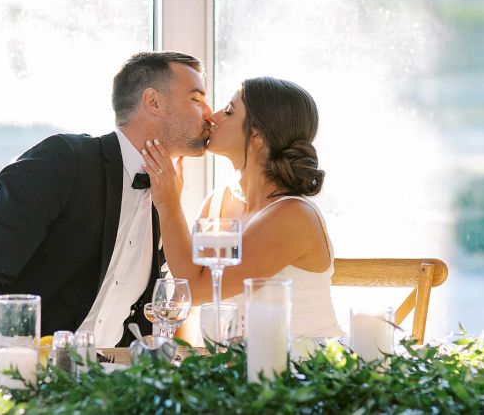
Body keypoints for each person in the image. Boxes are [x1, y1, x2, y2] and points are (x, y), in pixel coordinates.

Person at [0, 51, 213, 347]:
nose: (209, 112)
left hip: (107, 379)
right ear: (153, 102)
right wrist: (22, 366)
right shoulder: (62, 162)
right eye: (196, 99)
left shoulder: (165, 195)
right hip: (14, 374)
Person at [142, 76, 344, 338]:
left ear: (257, 134)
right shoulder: (219, 201)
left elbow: (197, 289)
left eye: (228, 111)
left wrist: (168, 202)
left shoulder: (293, 216)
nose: (211, 117)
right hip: (236, 367)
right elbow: (186, 299)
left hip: (305, 368)